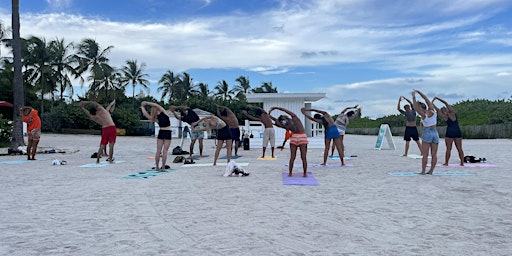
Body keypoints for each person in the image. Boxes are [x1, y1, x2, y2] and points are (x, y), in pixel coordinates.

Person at [269, 107, 308, 177]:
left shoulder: (286, 125)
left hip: (294, 137)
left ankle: (290, 173)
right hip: (302, 136)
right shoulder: (294, 118)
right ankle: (304, 174)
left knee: (292, 157)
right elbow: (286, 111)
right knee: (303, 157)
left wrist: (270, 115)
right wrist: (276, 108)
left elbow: (277, 123)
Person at [412, 90, 439, 175]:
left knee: (425, 154)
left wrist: (413, 96)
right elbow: (426, 99)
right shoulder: (432, 111)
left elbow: (416, 108)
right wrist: (419, 92)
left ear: (421, 108)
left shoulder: (424, 115)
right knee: (434, 154)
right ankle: (431, 171)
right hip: (435, 132)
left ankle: (423, 171)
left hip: (427, 132)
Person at [433, 97, 465, 166]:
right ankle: (462, 162)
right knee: (459, 148)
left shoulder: (445, 116)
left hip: (450, 132)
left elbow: (438, 110)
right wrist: (437, 99)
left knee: (448, 149)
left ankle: (446, 162)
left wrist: (432, 103)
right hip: (457, 131)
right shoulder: (453, 113)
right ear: (446, 109)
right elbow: (445, 103)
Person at [141, 101, 172, 171]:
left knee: (158, 151)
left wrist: (142, 107)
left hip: (161, 132)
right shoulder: (163, 112)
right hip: (168, 131)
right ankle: (163, 167)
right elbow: (156, 105)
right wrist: (147, 103)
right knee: (165, 151)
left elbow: (145, 114)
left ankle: (157, 167)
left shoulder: (155, 117)